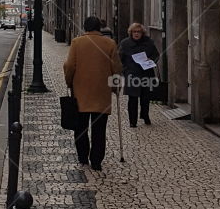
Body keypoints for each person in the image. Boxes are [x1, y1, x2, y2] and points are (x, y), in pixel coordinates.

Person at [63, 16, 122, 170]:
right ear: (99, 28)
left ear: (85, 27)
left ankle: (83, 157)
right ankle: (96, 161)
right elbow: (116, 68)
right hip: (102, 93)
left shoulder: (77, 42)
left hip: (80, 93)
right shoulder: (110, 43)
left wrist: (69, 82)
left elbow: (70, 66)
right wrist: (116, 88)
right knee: (99, 130)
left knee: (80, 128)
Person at [119, 21, 160, 126]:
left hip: (146, 73)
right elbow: (120, 59)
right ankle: (133, 121)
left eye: (139, 32)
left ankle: (145, 115)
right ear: (131, 33)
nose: (136, 34)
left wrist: (151, 61)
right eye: (134, 32)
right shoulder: (125, 44)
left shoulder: (149, 43)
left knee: (145, 98)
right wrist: (125, 70)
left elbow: (156, 55)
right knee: (132, 99)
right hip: (132, 74)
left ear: (142, 33)